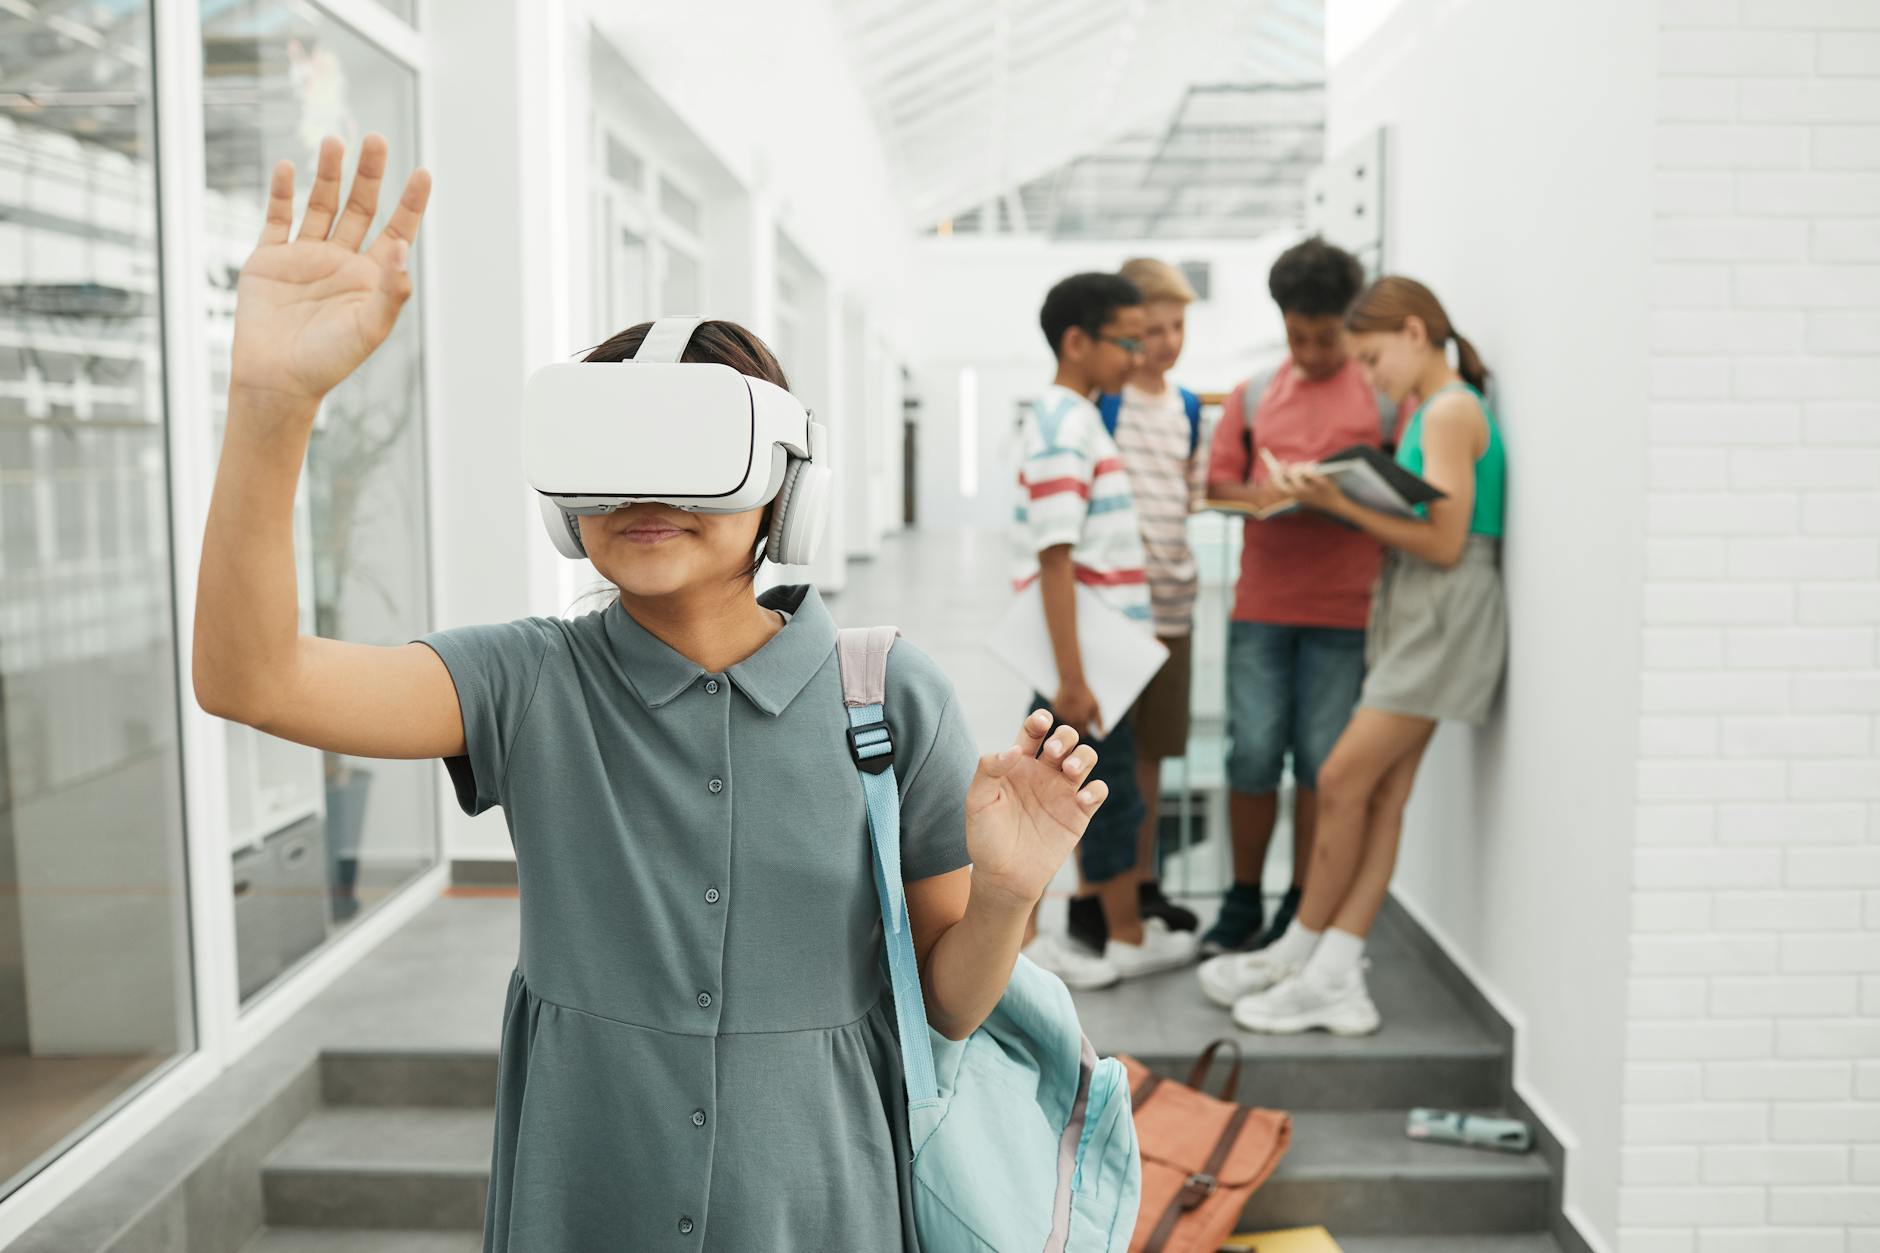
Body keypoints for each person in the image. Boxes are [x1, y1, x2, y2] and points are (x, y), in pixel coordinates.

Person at [193, 135, 1120, 1252]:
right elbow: (251, 677)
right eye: (608, 448)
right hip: (587, 1193)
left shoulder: (885, 695)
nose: (643, 488)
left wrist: (1008, 896)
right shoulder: (525, 681)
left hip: (818, 1203)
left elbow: (948, 1005)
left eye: (692, 449)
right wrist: (269, 401)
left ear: (785, 483)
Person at [1212, 275, 1508, 1036]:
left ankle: (1309, 955)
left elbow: (1446, 543)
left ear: (1415, 332)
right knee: (1378, 795)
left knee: (1342, 777)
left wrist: (1340, 502)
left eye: (1373, 359)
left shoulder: (1446, 410)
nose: (1369, 378)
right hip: (1427, 612)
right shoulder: (1446, 407)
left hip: (1439, 611)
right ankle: (1328, 966)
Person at [1195, 237, 1395, 961]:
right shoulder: (1252, 396)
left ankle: (1299, 908)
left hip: (1347, 611)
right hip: (1263, 609)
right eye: (1296, 335)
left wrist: (1339, 494)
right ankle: (1241, 898)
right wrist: (1268, 494)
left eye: (1326, 336)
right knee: (1251, 756)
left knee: (1320, 765)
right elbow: (1217, 486)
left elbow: (1405, 491)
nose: (1310, 351)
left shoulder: (1380, 398)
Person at [1012, 272, 1201, 988]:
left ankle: (1090, 934)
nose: (1138, 353)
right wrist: (1071, 674)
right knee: (1095, 785)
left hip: (1094, 649)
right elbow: (1055, 556)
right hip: (1084, 651)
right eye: (1127, 339)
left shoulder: (1081, 416)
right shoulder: (1063, 425)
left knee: (1083, 782)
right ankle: (1103, 937)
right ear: (1077, 341)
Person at [1070, 257, 1208, 957]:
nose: (1165, 341)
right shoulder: (1107, 406)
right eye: (1151, 329)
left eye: (1177, 326)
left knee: (1152, 754)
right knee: (1108, 761)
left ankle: (1143, 880)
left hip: (1174, 609)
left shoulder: (1185, 407)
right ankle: (1100, 893)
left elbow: (1193, 491)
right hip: (1115, 611)